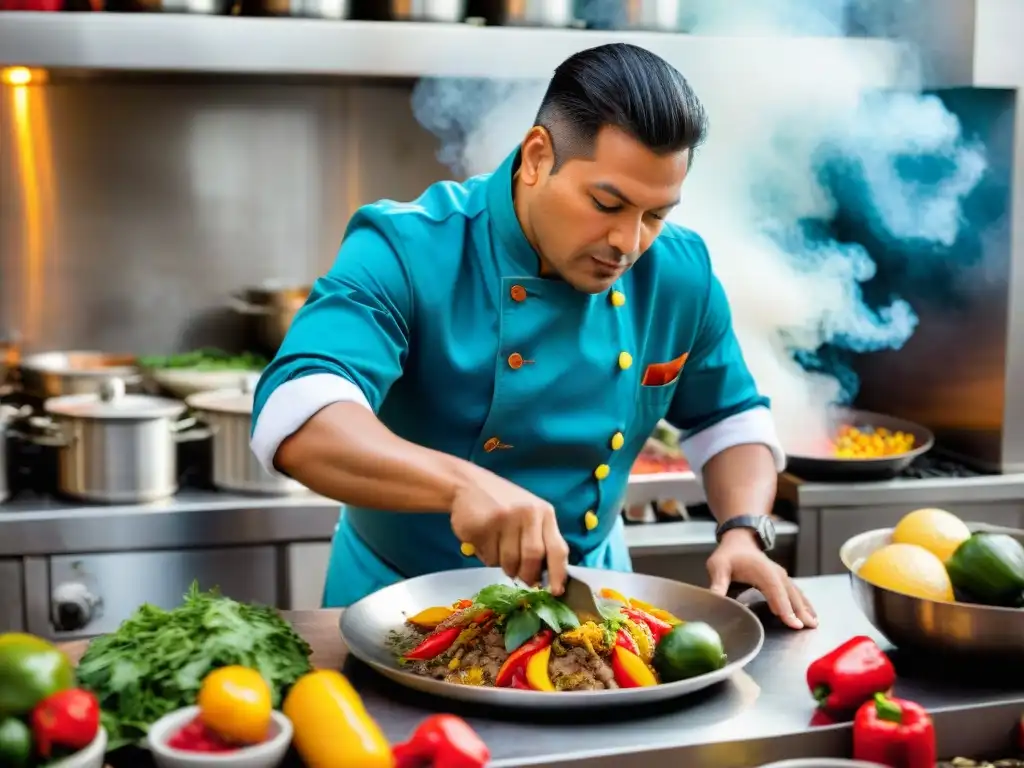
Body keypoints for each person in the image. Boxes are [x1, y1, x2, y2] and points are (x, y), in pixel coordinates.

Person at [250, 42, 818, 631]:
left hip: (591, 607)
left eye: (655, 215)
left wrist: (744, 531)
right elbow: (296, 414)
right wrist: (460, 485)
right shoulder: (407, 247)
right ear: (537, 157)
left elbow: (730, 419)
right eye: (606, 203)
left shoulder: (678, 271)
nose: (628, 242)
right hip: (398, 608)